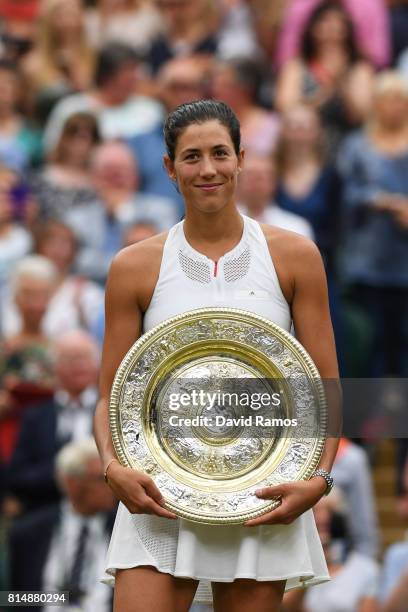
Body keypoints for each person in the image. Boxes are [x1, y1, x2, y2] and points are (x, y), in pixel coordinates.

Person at [94, 100, 340, 611]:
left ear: (242, 158)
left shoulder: (295, 255)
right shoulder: (133, 266)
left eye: (220, 153)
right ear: (168, 167)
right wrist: (112, 466)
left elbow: (328, 387)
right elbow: (109, 396)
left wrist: (318, 479)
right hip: (158, 496)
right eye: (191, 157)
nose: (207, 169)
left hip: (261, 495)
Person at [8, 437, 116, 612]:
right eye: (100, 479)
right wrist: (60, 598)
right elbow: (12, 598)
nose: (112, 487)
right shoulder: (28, 533)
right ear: (72, 483)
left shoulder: (122, 532)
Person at [7, 330, 100, 513]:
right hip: (46, 514)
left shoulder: (111, 412)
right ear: (54, 367)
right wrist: (64, 474)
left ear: (97, 365)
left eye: (84, 358)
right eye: (70, 360)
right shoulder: (35, 417)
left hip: (104, 518)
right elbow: (17, 476)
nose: (78, 366)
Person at [275, 1, 374, 155]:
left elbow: (361, 114)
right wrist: (327, 89)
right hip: (304, 141)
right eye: (325, 21)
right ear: (312, 28)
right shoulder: (297, 67)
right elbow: (286, 109)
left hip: (348, 142)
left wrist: (342, 79)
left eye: (338, 23)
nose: (331, 28)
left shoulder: (359, 68)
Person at [237, 153, 314, 239]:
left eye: (261, 178)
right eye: (249, 177)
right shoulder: (224, 225)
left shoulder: (296, 228)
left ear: (274, 183)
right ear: (238, 182)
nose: (255, 184)